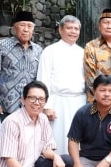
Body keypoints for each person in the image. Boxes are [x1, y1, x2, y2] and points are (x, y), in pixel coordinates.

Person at [36, 15, 86, 155]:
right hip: (58, 102)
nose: (73, 32)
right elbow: (43, 78)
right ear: (60, 29)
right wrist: (46, 106)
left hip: (79, 101)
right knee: (59, 138)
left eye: (76, 29)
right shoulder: (50, 51)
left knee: (79, 138)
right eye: (69, 28)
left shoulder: (83, 52)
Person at [0, 11, 43, 119]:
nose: (26, 29)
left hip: (29, 107)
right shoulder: (2, 45)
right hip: (5, 106)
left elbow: (40, 79)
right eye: (22, 25)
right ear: (15, 27)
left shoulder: (38, 50)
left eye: (29, 26)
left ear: (33, 29)